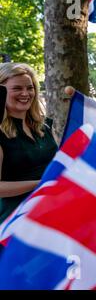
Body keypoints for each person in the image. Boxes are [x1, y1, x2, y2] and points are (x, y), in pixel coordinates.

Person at [0, 63, 58, 224]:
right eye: (17, 88)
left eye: (30, 87)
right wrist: (41, 184)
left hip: (51, 213)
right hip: (15, 222)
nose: (25, 93)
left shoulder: (44, 125)